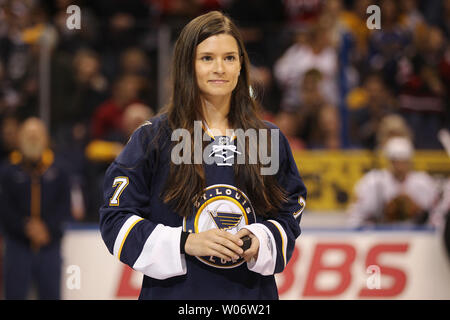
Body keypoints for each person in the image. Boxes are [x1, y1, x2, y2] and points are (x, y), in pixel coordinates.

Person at [99, 11, 307, 300]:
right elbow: (115, 219)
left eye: (230, 58)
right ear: (188, 66)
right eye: (207, 58)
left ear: (241, 66)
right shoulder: (153, 138)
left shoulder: (268, 139)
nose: (220, 68)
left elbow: (290, 210)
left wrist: (260, 238)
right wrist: (186, 242)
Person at [0, 117, 71, 299]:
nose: (32, 139)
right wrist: (26, 228)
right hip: (17, 246)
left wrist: (47, 228)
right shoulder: (8, 171)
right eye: (28, 135)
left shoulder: (59, 169)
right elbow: (5, 208)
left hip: (50, 245)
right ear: (20, 138)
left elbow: (64, 205)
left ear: (45, 138)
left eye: (36, 135)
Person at [347, 136, 438, 228]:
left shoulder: (423, 182)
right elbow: (355, 217)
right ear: (389, 161)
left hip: (418, 234)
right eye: (396, 161)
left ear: (410, 161)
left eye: (404, 161)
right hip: (382, 233)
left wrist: (419, 212)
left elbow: (437, 216)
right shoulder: (373, 182)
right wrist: (381, 217)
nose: (400, 166)